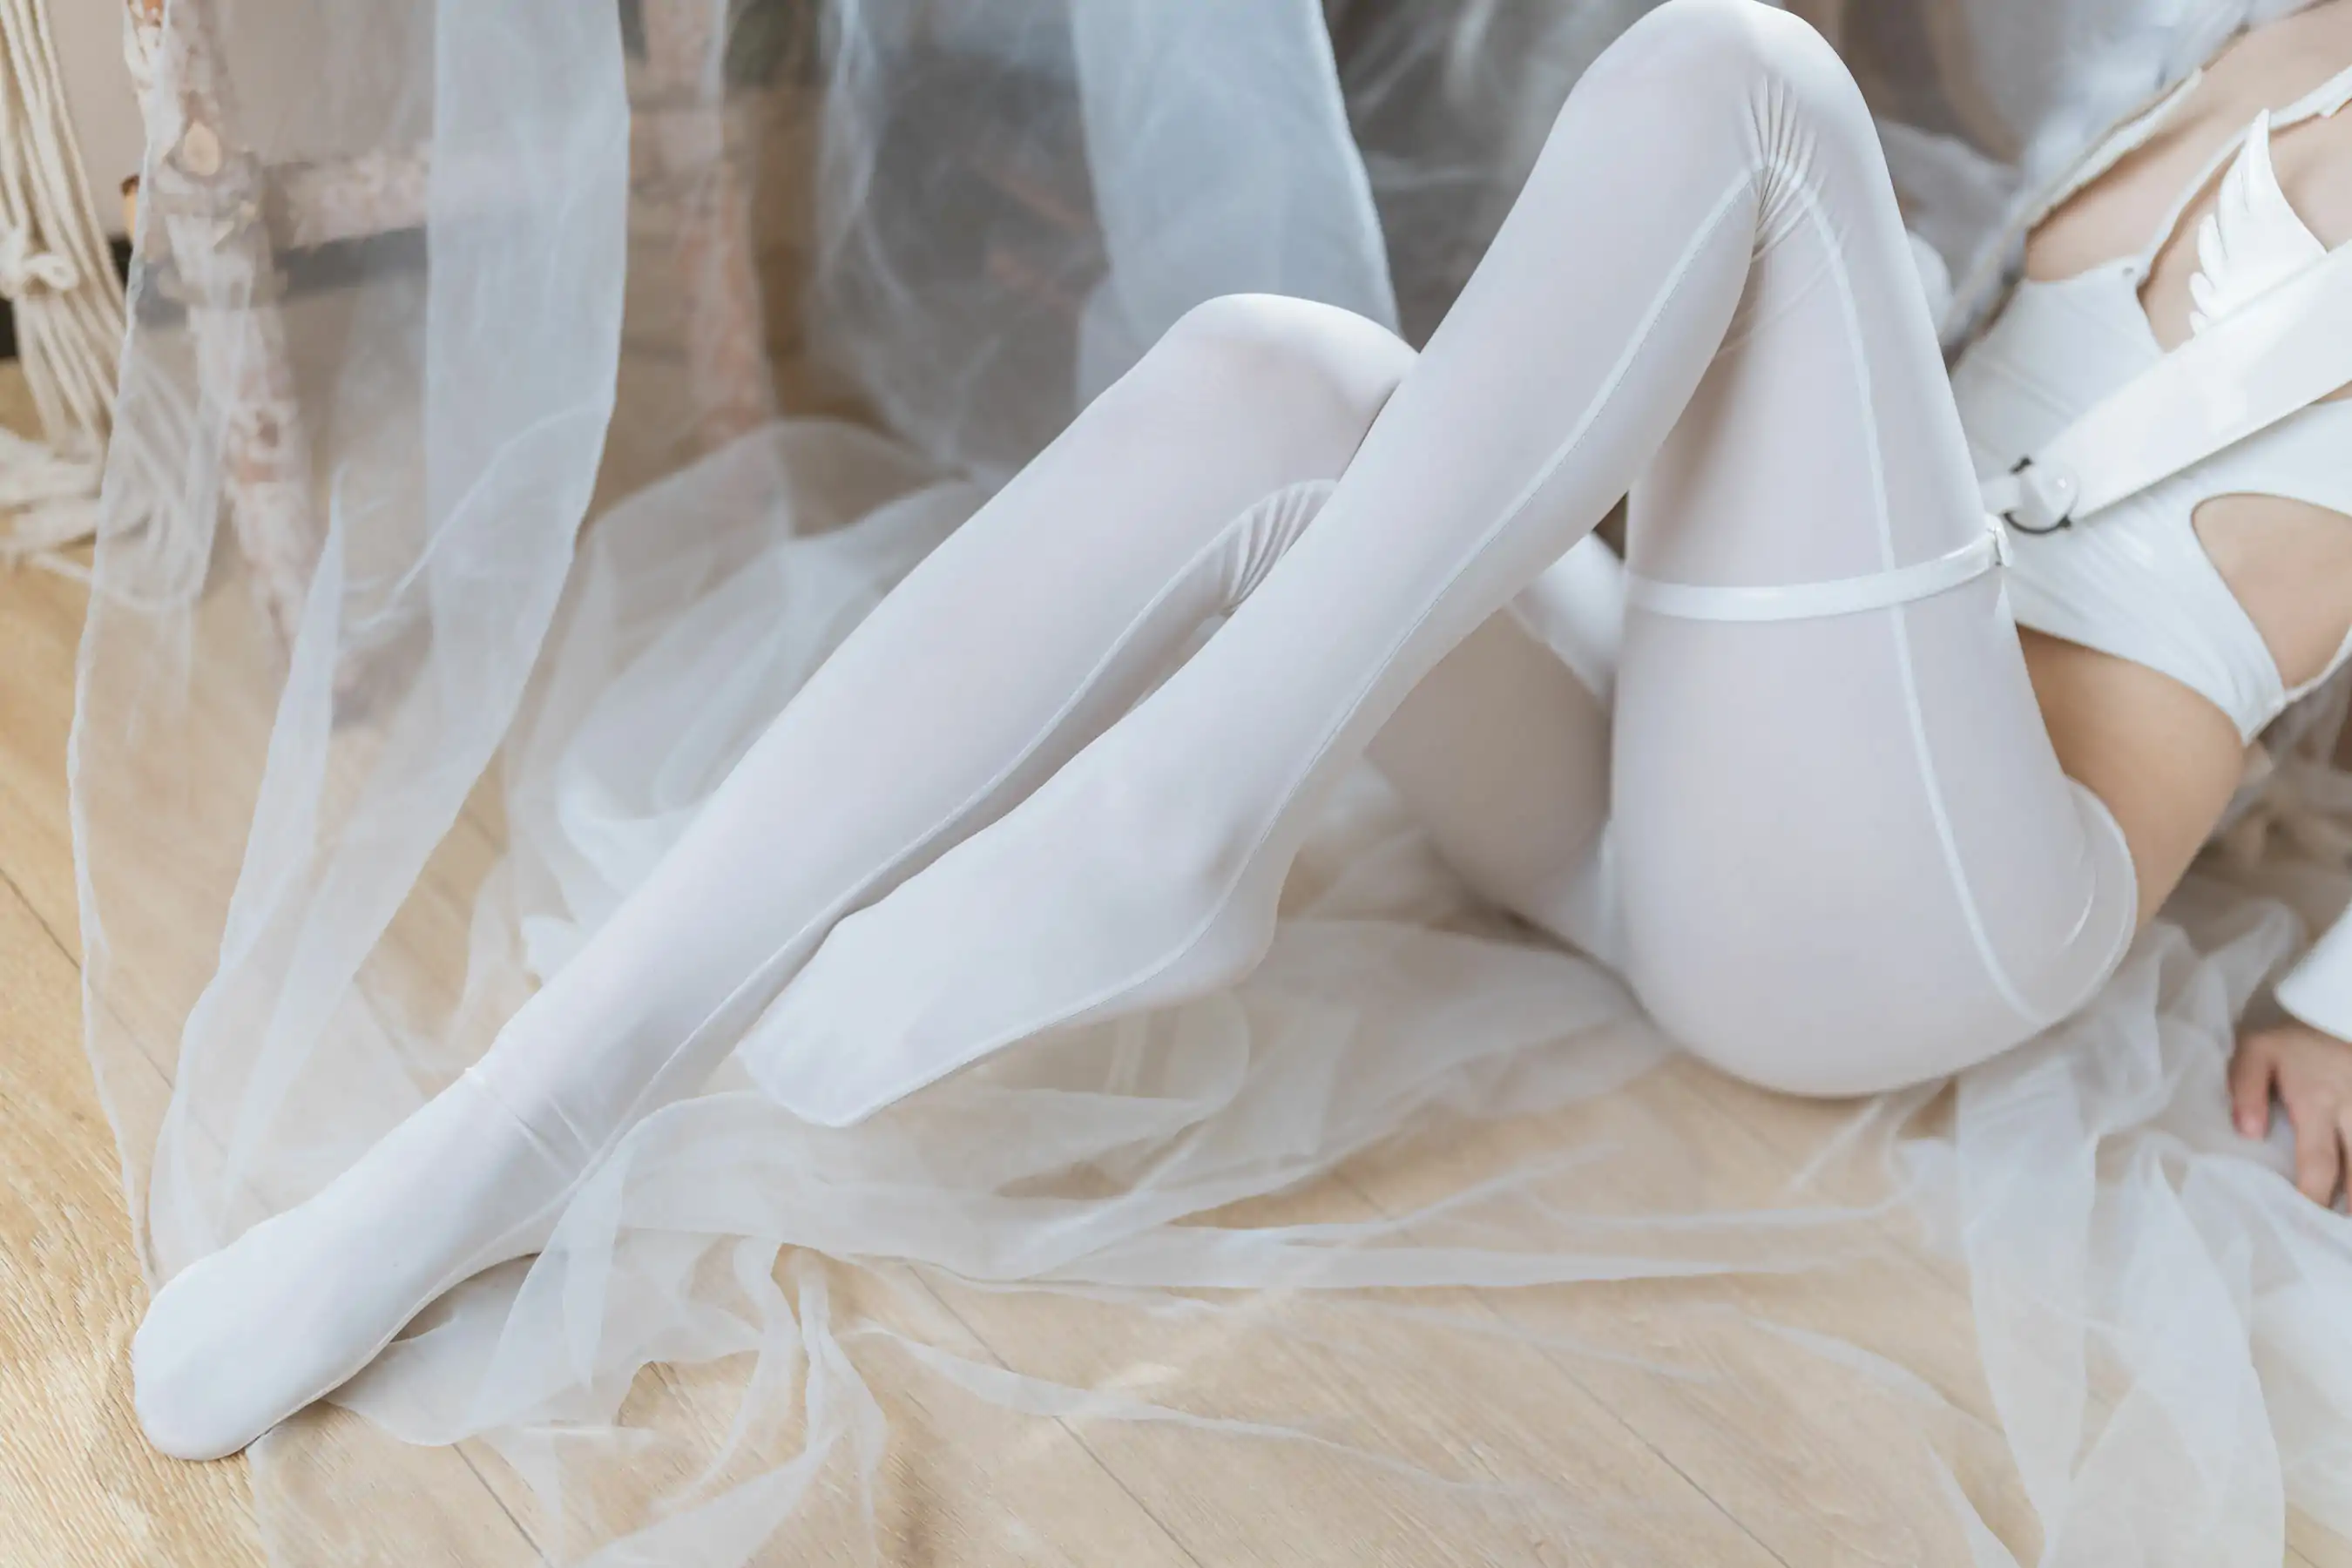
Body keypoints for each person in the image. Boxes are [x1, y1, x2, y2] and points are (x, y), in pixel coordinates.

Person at [129, 0, 2352, 1463]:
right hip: (1701, 768)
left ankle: (1188, 807)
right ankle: (502, 1140)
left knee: (1742, 82)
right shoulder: (2241, 34)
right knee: (1275, 376)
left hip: (1920, 904)